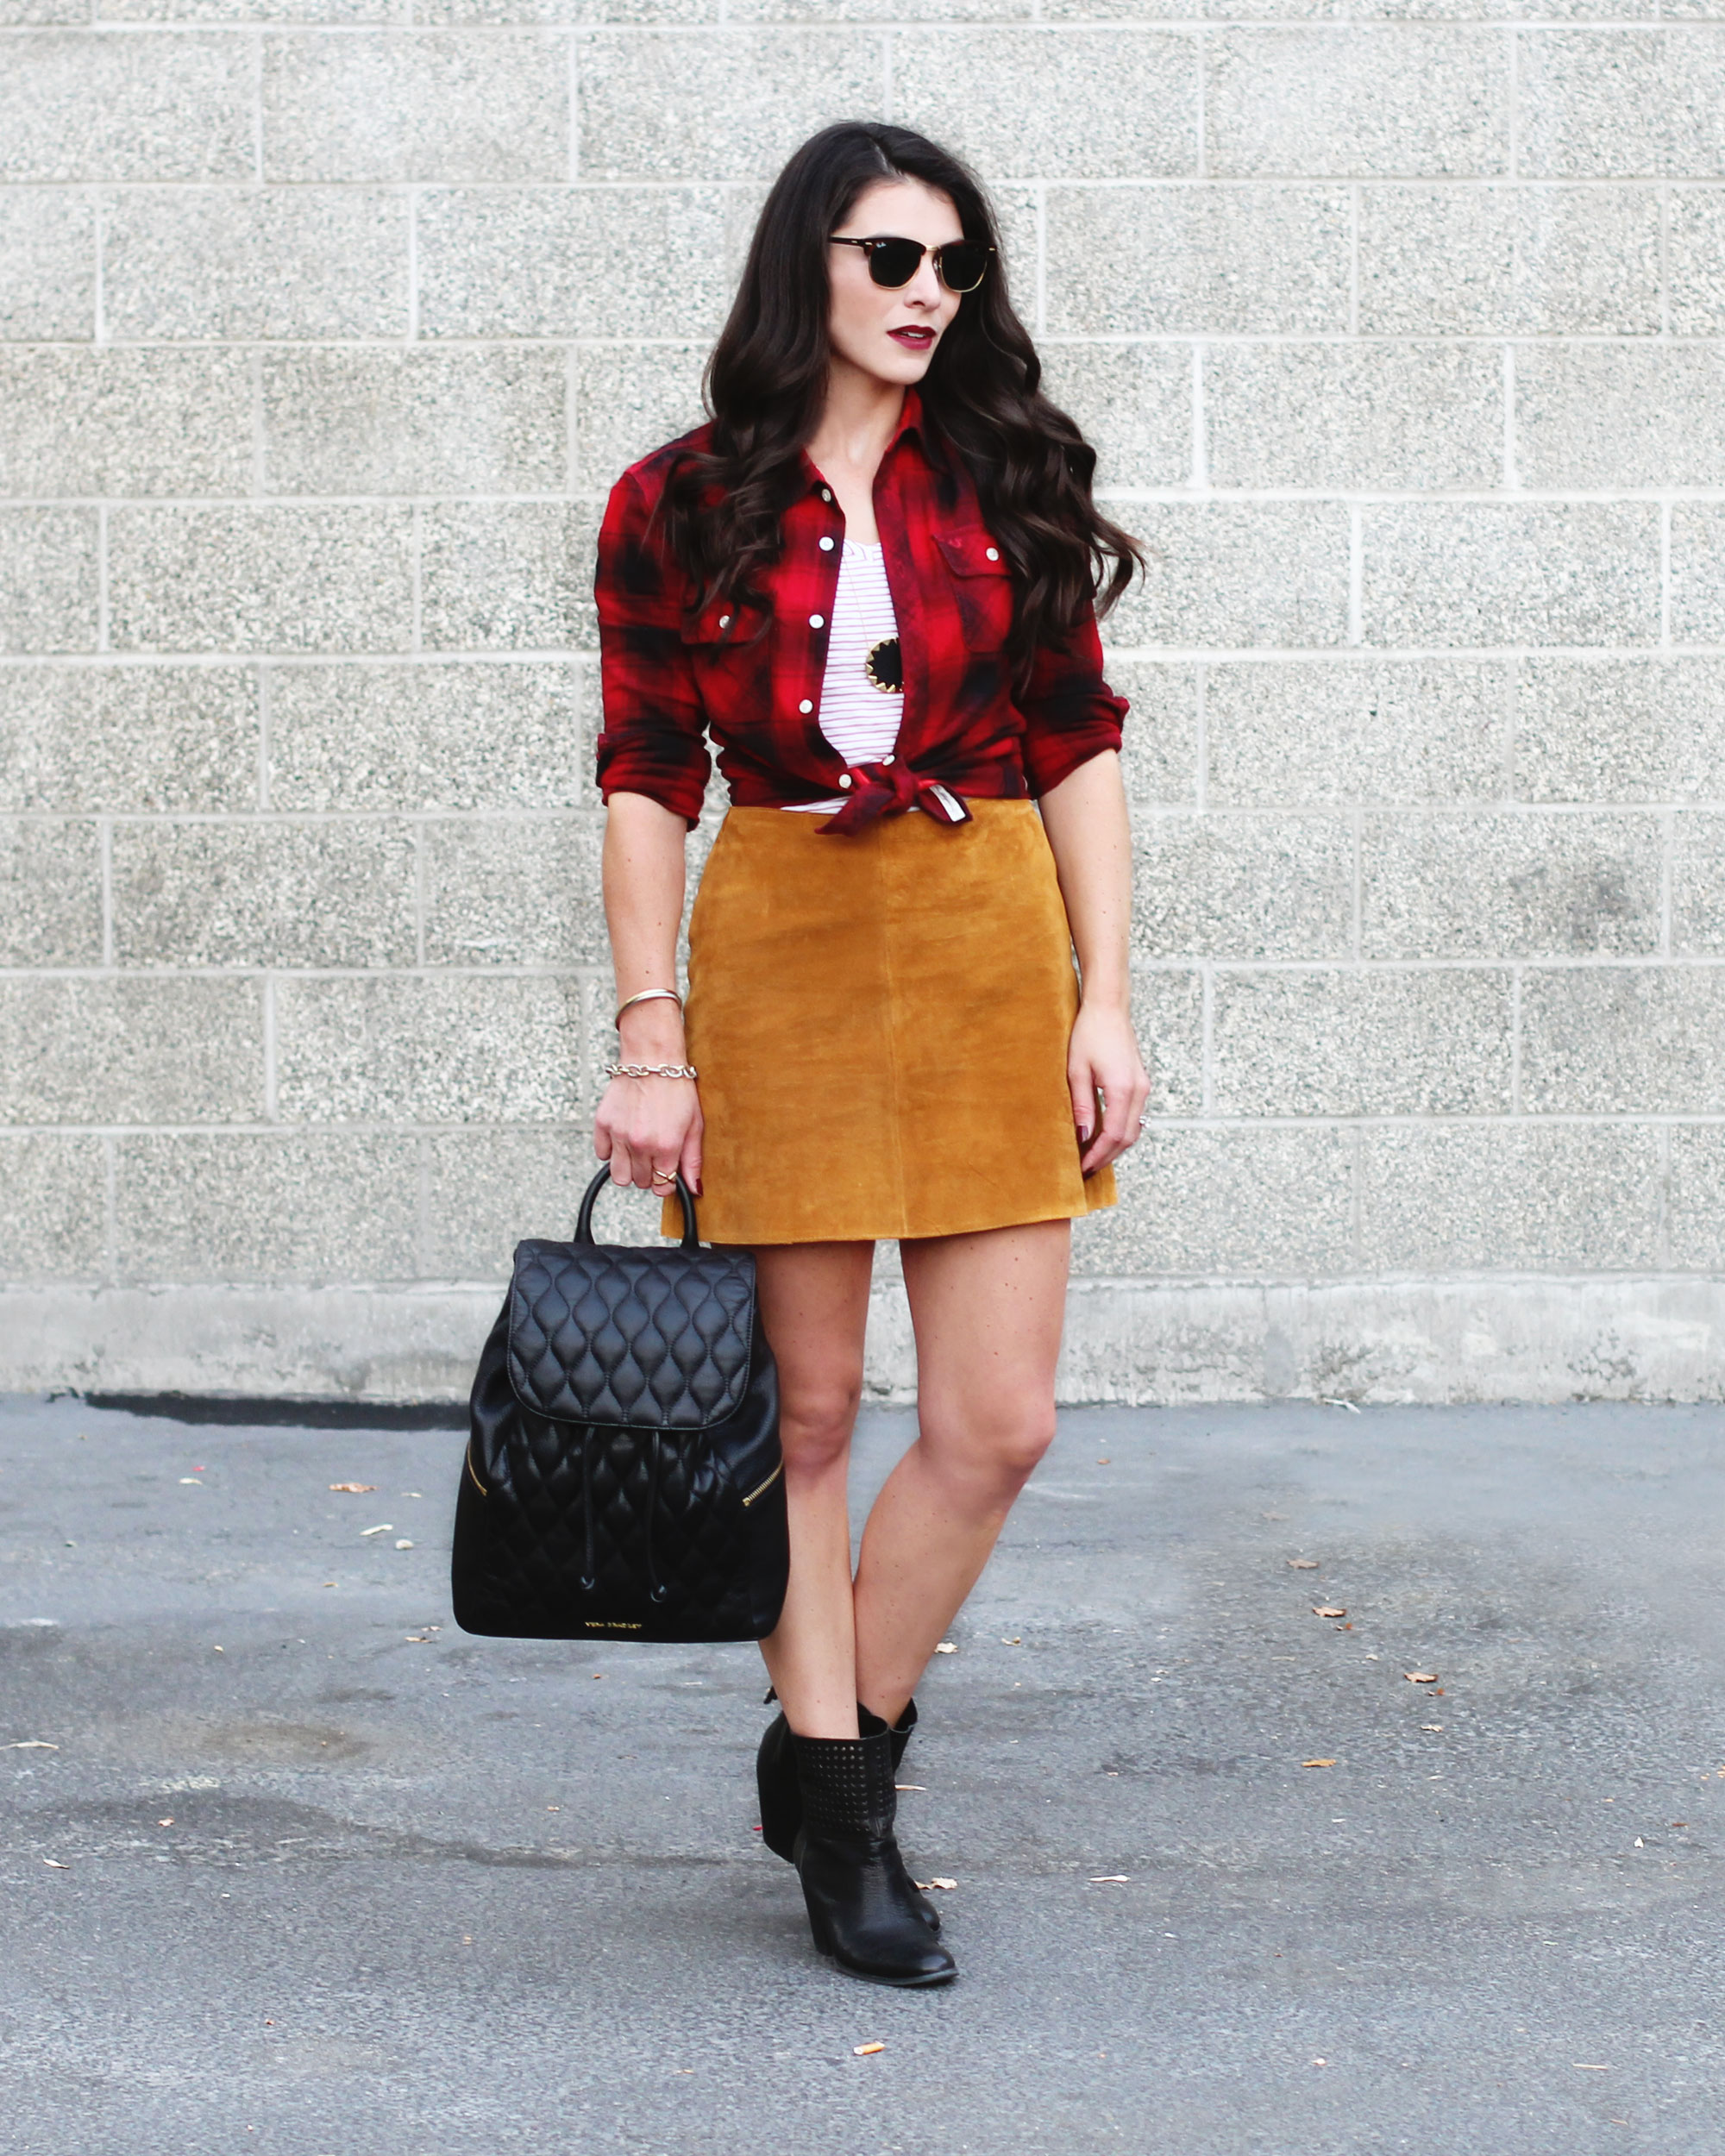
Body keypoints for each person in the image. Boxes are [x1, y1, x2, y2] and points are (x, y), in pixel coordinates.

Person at [591, 120, 1149, 1988]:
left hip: (988, 931)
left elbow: (1074, 738)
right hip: (787, 944)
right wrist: (649, 1036)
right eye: (891, 259)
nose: (929, 296)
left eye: (954, 267)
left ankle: (839, 1726)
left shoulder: (1006, 475)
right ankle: (847, 1823)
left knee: (997, 1419)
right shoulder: (678, 496)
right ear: (806, 268)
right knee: (808, 1419)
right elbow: (649, 777)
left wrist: (1108, 993)